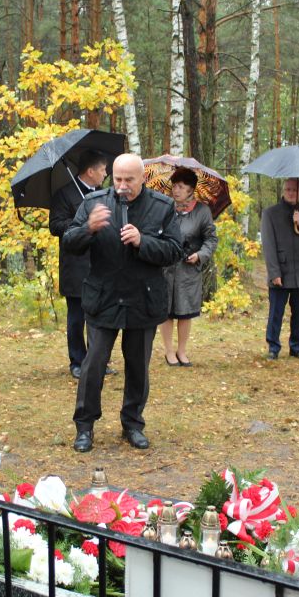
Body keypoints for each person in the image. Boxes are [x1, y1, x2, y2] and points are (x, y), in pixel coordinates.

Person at [63, 154, 183, 452]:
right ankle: (84, 426)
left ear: (143, 178)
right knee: (94, 364)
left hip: (143, 298)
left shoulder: (162, 207)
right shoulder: (94, 203)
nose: (122, 185)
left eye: (129, 179)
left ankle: (132, 424)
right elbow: (69, 243)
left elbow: (174, 251)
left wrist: (143, 242)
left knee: (138, 366)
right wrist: (88, 228)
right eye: (117, 179)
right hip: (103, 298)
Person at [48, 149, 117, 379]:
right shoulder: (64, 194)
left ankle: (98, 360)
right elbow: (55, 226)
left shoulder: (105, 194)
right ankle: (77, 361)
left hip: (102, 263)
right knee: (77, 317)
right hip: (75, 264)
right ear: (90, 171)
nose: (106, 174)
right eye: (103, 170)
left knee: (101, 316)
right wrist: (85, 223)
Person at [158, 168, 218, 367]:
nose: (175, 190)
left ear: (191, 189)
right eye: (174, 186)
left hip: (189, 270)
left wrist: (200, 255)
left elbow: (211, 239)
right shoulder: (165, 208)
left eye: (181, 187)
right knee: (166, 311)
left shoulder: (202, 211)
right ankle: (169, 351)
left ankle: (181, 351)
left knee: (185, 311)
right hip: (166, 268)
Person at [260, 177, 299, 360]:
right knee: (276, 313)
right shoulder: (270, 213)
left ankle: (296, 347)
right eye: (288, 189)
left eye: (294, 190)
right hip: (281, 271)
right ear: (283, 191)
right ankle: (273, 347)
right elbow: (269, 246)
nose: (291, 193)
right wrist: (274, 273)